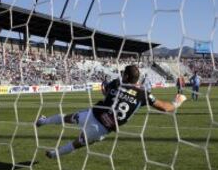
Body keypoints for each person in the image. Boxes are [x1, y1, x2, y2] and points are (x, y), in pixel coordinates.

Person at [36, 65, 187, 159]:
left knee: (65, 118)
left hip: (92, 115)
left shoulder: (117, 83)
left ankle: (44, 121)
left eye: (123, 74)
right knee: (79, 143)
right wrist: (177, 101)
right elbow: (165, 108)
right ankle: (55, 154)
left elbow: (105, 90)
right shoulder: (143, 94)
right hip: (103, 129)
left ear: (126, 76)